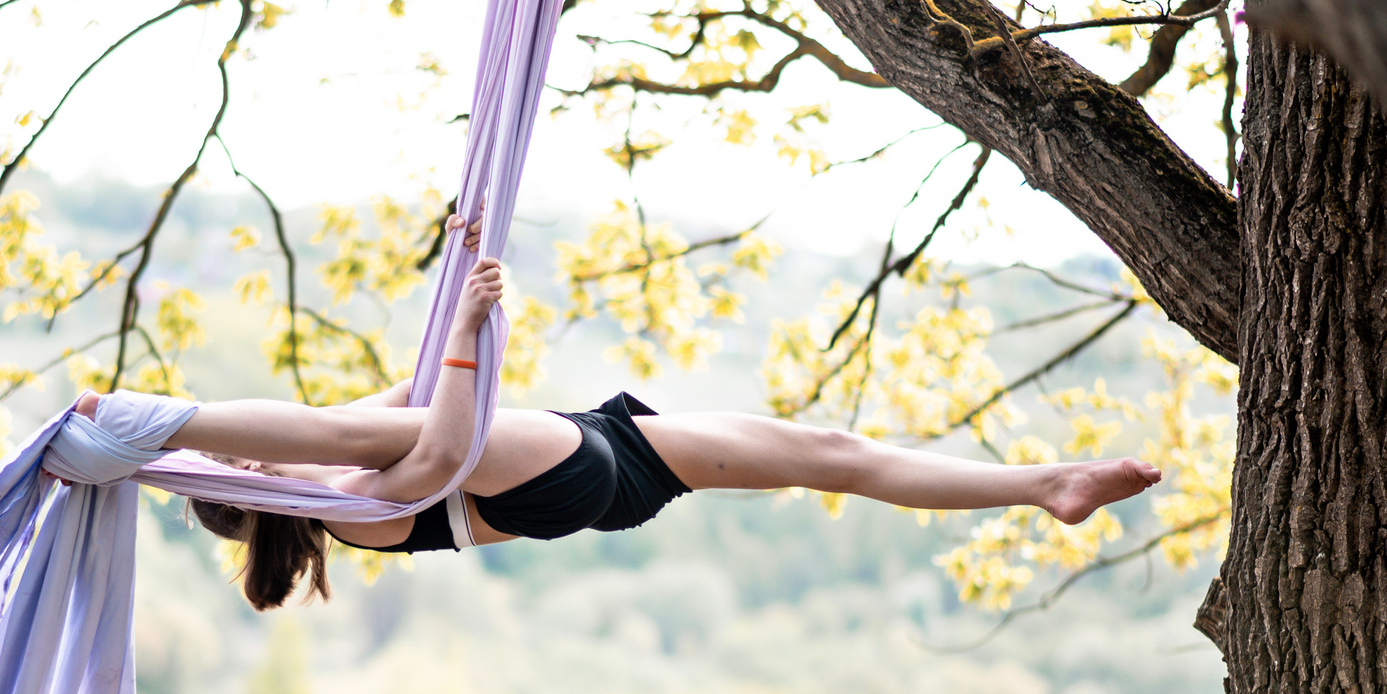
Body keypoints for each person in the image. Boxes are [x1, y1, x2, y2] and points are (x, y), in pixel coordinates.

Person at [72, 219, 1164, 610]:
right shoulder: (346, 514)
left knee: (829, 454)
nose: (243, 449)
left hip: (612, 459)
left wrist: (460, 289)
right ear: (248, 493)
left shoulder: (336, 487)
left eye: (216, 441)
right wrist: (464, 330)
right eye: (225, 452)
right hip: (544, 474)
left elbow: (415, 400)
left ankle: (1045, 486)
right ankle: (154, 418)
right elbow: (445, 437)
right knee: (359, 434)